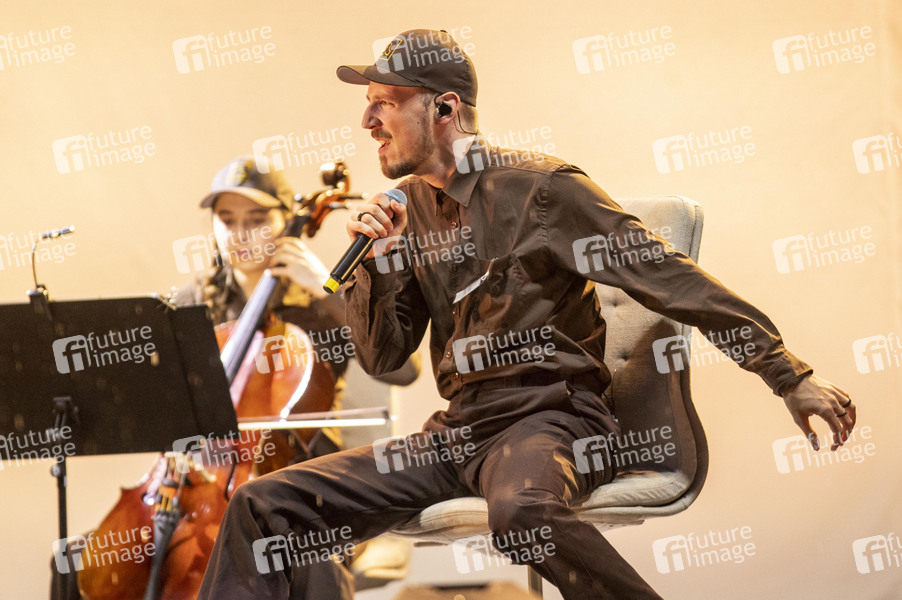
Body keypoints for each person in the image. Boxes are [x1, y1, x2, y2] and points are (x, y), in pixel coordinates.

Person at [196, 30, 856, 599]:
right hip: (458, 431)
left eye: (385, 102)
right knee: (261, 505)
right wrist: (378, 266)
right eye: (367, 103)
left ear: (445, 108)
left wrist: (789, 376)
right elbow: (384, 355)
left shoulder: (543, 188)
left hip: (552, 417)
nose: (367, 120)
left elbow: (670, 279)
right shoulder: (407, 208)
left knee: (523, 514)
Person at [50, 156, 417, 600]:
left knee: (310, 560)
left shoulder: (316, 304)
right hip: (188, 490)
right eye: (227, 220)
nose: (240, 234)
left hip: (300, 486)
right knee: (74, 559)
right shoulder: (191, 305)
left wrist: (328, 287)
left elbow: (403, 369)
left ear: (286, 221)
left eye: (257, 220)